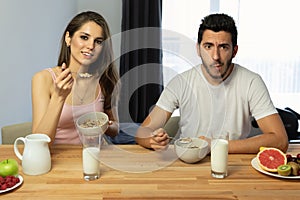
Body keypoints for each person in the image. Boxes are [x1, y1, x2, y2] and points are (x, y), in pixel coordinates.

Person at [135, 13, 289, 153]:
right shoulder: (181, 82)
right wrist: (152, 140)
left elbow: (280, 140)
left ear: (234, 51)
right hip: (188, 161)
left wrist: (214, 145)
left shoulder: (251, 82)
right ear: (198, 49)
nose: (215, 56)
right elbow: (142, 132)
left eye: (223, 47)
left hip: (231, 161)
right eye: (208, 46)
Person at [31, 11, 120, 145]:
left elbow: (115, 129)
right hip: (59, 160)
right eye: (84, 37)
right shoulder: (43, 79)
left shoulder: (104, 79)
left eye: (98, 41)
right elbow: (39, 143)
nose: (91, 46)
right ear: (68, 38)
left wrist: (105, 125)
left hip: (94, 156)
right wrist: (59, 97)